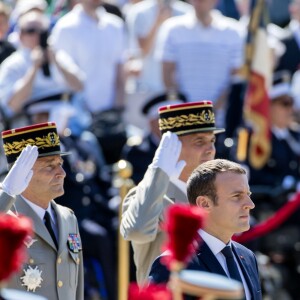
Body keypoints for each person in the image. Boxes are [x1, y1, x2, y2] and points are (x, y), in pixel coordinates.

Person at [120, 100, 225, 285]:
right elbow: (136, 231)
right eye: (199, 141)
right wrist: (158, 171)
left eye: (212, 141)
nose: (210, 149)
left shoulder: (215, 195)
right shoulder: (147, 196)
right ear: (172, 146)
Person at [149, 159, 262, 300]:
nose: (250, 204)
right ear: (204, 203)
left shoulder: (248, 257)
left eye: (248, 195)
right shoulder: (174, 265)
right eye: (237, 196)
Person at [0, 122, 84, 300]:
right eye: (49, 166)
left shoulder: (68, 217)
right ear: (22, 173)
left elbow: (77, 290)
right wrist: (6, 193)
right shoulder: (6, 219)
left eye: (60, 163)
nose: (61, 172)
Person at [155, 0, 243, 128]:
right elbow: (167, 76)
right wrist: (187, 113)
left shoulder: (234, 32)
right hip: (182, 123)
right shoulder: (172, 29)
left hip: (221, 122)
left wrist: (212, 111)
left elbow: (235, 79)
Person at [0, 10, 84, 129]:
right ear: (20, 35)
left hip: (68, 127)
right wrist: (34, 68)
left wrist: (56, 62)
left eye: (42, 31)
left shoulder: (59, 56)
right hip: (32, 130)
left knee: (90, 143)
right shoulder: (12, 64)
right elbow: (11, 106)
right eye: (31, 31)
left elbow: (80, 86)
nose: (37, 36)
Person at [121, 91, 187, 184]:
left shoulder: (192, 146)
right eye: (167, 119)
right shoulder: (137, 151)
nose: (175, 124)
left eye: (180, 118)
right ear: (151, 122)